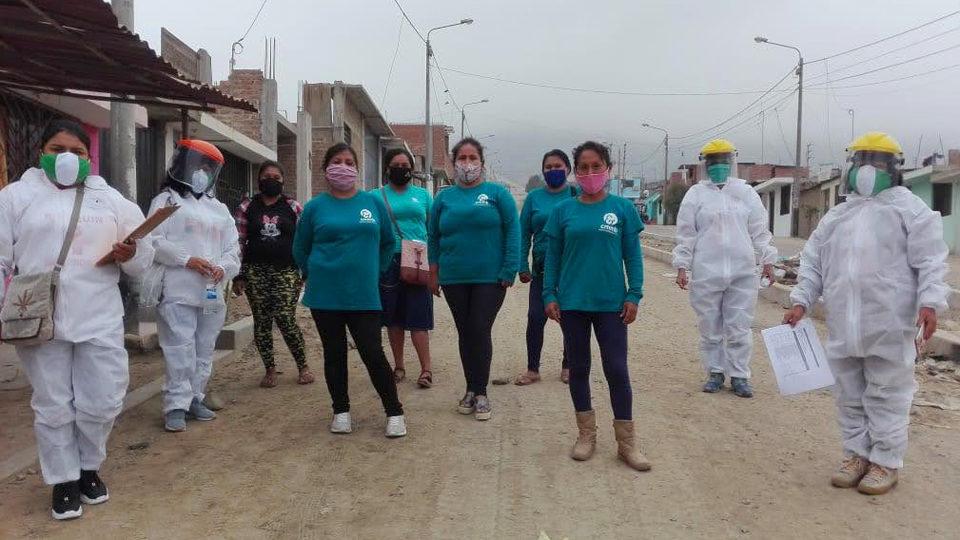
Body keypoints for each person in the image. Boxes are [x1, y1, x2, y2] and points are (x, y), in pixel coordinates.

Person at [0, 119, 155, 520]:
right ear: (41, 153)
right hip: (39, 316)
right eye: (57, 150)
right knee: (53, 404)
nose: (68, 158)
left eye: (78, 151)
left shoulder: (110, 199)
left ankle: (90, 465)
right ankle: (64, 479)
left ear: (90, 157)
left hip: (100, 313)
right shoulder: (17, 197)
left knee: (103, 399)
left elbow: (144, 255)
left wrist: (130, 254)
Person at [784, 132, 948, 495]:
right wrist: (801, 300)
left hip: (889, 323)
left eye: (877, 161)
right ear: (851, 167)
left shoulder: (910, 211)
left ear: (894, 168)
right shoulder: (837, 216)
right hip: (844, 323)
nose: (868, 169)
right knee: (849, 394)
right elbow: (813, 263)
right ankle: (856, 455)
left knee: (889, 394)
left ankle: (885, 462)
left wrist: (930, 302)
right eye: (862, 161)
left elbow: (931, 260)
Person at [543, 140, 650, 471]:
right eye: (584, 167)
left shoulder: (622, 209)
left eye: (596, 166)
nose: (590, 173)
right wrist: (549, 294)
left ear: (608, 169)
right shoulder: (563, 211)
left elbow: (632, 255)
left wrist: (634, 294)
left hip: (611, 305)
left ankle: (627, 443)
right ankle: (586, 436)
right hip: (573, 303)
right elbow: (553, 257)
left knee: (616, 369)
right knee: (579, 368)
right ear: (576, 173)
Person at [293, 142, 406, 438]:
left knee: (373, 352)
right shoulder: (315, 207)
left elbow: (388, 243)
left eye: (349, 161)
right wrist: (312, 272)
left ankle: (394, 412)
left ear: (357, 168)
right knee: (334, 353)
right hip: (325, 295)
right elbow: (300, 247)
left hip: (363, 294)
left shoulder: (372, 203)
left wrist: (376, 271)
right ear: (326, 168)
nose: (343, 166)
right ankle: (340, 411)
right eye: (337, 161)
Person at [672, 139, 777, 398]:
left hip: (742, 271)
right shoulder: (696, 195)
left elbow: (759, 230)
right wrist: (682, 265)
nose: (718, 165)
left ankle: (740, 375)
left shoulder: (745, 193)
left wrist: (768, 260)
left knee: (739, 325)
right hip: (707, 270)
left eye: (722, 160)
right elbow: (686, 233)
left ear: (731, 162)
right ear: (706, 164)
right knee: (709, 325)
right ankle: (715, 372)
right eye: (713, 161)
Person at [150, 139, 241, 433]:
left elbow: (233, 248)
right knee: (179, 347)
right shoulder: (166, 202)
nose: (201, 172)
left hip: (212, 291)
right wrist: (188, 260)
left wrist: (223, 268)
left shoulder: (219, 209)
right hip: (179, 288)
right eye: (197, 165)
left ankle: (195, 397)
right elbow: (153, 240)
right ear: (182, 164)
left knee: (204, 347)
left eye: (207, 167)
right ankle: (175, 403)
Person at [428, 137, 519, 421]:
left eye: (472, 158)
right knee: (465, 332)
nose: (467, 164)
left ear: (481, 162)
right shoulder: (443, 198)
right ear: (454, 163)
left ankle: (481, 393)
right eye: (462, 158)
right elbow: (433, 236)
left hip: (490, 278)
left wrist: (509, 269)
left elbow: (512, 230)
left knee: (479, 328)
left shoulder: (497, 194)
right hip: (454, 277)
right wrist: (433, 272)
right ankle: (470, 389)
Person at [233, 161, 313, 388]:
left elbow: (306, 240)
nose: (272, 180)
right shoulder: (247, 207)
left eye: (276, 177)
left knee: (286, 317)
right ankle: (269, 369)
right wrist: (238, 275)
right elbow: (238, 242)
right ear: (259, 180)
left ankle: (303, 365)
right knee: (262, 321)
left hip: (287, 270)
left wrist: (306, 270)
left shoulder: (294, 207)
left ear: (283, 181)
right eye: (267, 176)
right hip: (255, 271)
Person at [374, 149, 435, 388]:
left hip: (417, 261)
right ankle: (398, 366)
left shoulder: (423, 196)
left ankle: (426, 369)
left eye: (405, 164)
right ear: (387, 169)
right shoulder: (376, 197)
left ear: (411, 169)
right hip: (388, 261)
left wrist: (433, 262)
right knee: (394, 319)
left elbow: (433, 228)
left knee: (419, 318)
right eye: (395, 164)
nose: (401, 168)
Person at [515, 149, 576, 386]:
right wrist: (522, 264)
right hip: (541, 269)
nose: (553, 171)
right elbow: (523, 234)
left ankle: (568, 365)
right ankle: (533, 369)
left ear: (568, 169)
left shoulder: (576, 195)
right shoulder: (533, 199)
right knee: (535, 317)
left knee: (570, 319)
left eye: (558, 166)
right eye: (548, 167)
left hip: (571, 269)